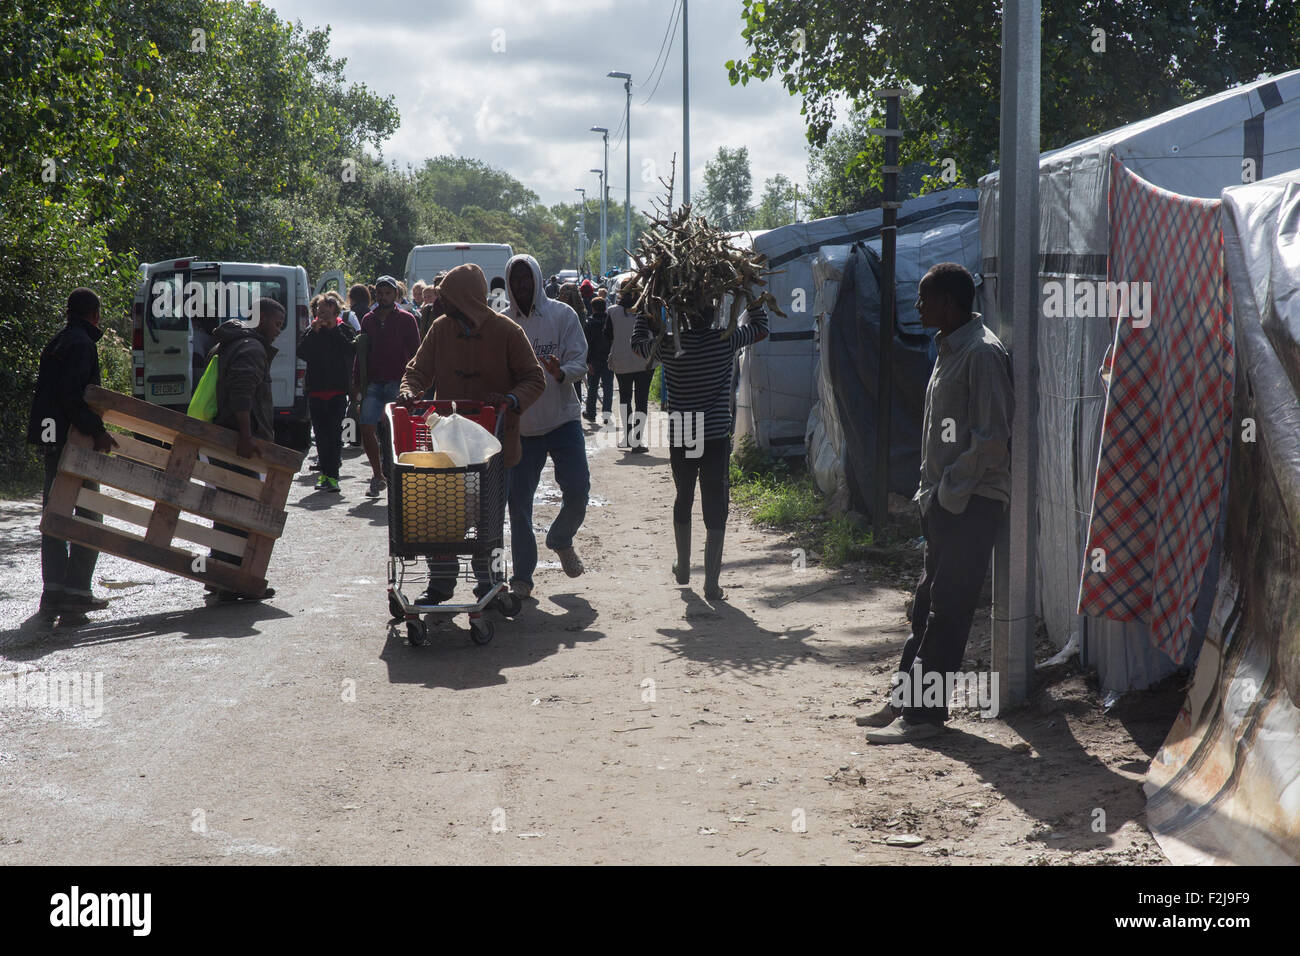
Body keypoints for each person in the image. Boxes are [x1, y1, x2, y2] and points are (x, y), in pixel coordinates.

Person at [858, 263, 1012, 744]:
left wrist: (949, 492)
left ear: (948, 301)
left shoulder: (982, 354)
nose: (918, 306)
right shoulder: (952, 348)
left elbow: (992, 439)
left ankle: (923, 718)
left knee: (948, 610)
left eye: (925, 298)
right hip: (947, 504)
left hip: (971, 502)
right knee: (926, 606)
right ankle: (906, 698)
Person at [399, 263, 548, 605]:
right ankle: (440, 585)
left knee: (489, 521)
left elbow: (534, 378)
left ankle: (490, 585)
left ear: (463, 297)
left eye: (447, 298)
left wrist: (511, 399)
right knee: (441, 515)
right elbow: (416, 372)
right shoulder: (439, 329)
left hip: (492, 444)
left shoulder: (507, 332)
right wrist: (410, 390)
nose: (441, 305)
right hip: (447, 443)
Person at [632, 298, 768, 602]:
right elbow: (760, 329)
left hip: (682, 435)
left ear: (682, 317)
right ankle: (711, 583)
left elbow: (638, 346)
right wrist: (749, 294)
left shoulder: (668, 345)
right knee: (715, 502)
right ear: (713, 312)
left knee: (684, 496)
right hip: (715, 436)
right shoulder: (726, 340)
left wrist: (644, 310)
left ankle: (682, 567)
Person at [28, 287, 118, 623]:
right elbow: (73, 396)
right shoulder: (83, 345)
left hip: (53, 441)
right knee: (88, 517)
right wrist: (97, 430)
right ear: (94, 314)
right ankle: (78, 593)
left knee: (55, 517)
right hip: (75, 444)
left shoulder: (57, 342)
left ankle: (53, 593)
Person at [503, 254, 590, 599]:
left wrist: (560, 372)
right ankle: (522, 578)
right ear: (508, 283)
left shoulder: (562, 315)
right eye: (516, 279)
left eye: (527, 278)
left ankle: (561, 538)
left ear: (538, 279)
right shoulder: (504, 323)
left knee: (579, 489)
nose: (522, 285)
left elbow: (581, 361)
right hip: (522, 428)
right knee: (518, 504)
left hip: (562, 419)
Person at [207, 297, 286, 601]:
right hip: (238, 444)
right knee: (243, 511)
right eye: (277, 324)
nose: (278, 331)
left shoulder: (231, 343)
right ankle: (235, 580)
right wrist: (246, 435)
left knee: (227, 509)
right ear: (263, 318)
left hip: (225, 439)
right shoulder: (251, 348)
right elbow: (242, 392)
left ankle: (220, 575)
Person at [354, 276, 421, 498]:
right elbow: (361, 355)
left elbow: (416, 355)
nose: (383, 296)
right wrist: (356, 386)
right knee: (366, 427)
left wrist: (415, 385)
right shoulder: (368, 320)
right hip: (373, 383)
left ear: (396, 295)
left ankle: (398, 476)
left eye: (388, 293)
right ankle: (377, 475)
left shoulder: (407, 319)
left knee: (395, 432)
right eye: (380, 293)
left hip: (398, 383)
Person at [298, 295, 356, 493]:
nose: (321, 315)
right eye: (319, 311)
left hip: (338, 392)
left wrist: (332, 330)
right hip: (316, 391)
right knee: (321, 436)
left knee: (334, 435)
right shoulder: (311, 332)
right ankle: (325, 474)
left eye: (325, 312)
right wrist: (313, 333)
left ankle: (333, 476)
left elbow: (349, 350)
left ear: (335, 312)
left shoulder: (344, 330)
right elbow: (302, 352)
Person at [606, 288, 653, 452]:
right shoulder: (647, 310)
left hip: (621, 362)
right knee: (641, 401)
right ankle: (637, 441)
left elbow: (607, 335)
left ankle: (627, 437)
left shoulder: (612, 312)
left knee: (625, 399)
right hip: (644, 361)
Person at [583, 295, 613, 424]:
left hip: (593, 359)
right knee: (608, 387)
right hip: (608, 358)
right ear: (605, 308)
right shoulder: (610, 322)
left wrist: (587, 361)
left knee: (593, 387)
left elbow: (586, 344)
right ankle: (606, 415)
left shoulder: (588, 323)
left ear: (593, 308)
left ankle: (591, 413)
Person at [556, 282, 587, 404]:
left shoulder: (559, 310)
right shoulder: (581, 311)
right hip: (578, 349)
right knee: (576, 380)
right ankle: (577, 404)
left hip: (560, 351)